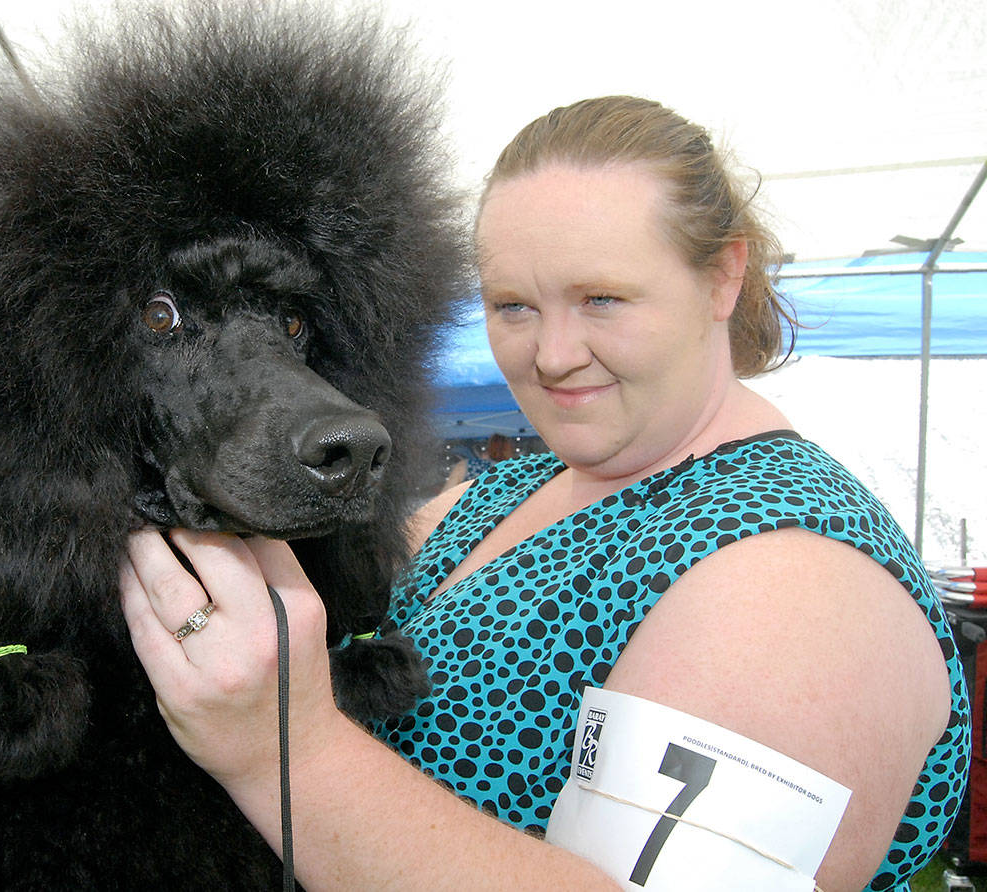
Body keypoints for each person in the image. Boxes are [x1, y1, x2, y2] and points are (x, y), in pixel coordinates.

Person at [119, 96, 969, 890]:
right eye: (513, 306)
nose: (552, 353)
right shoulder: (501, 495)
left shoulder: (798, 582)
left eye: (601, 298)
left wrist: (284, 753)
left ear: (723, 279)